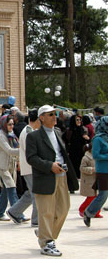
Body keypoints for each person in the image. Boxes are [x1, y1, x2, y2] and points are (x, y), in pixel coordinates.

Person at [26, 105, 77, 256]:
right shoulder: (33, 136)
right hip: (45, 177)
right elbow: (31, 158)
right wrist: (50, 166)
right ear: (41, 117)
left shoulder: (57, 132)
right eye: (50, 115)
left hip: (61, 177)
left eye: (55, 114)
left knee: (63, 209)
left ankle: (44, 233)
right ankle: (47, 242)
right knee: (46, 212)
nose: (54, 117)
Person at [9, 108, 39, 226]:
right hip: (30, 167)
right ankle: (36, 220)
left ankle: (14, 212)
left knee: (30, 193)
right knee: (36, 194)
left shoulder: (30, 130)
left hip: (29, 167)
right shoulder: (28, 132)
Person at [0, 115, 25, 222]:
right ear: (4, 124)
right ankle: (17, 213)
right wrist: (25, 151)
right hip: (2, 167)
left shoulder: (11, 135)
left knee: (6, 191)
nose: (11, 126)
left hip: (11, 166)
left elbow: (15, 148)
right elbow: (10, 151)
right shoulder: (1, 136)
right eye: (9, 124)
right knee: (11, 188)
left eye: (12, 124)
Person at [83, 115, 108, 227]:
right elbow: (96, 155)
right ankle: (88, 213)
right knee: (103, 195)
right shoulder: (98, 139)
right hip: (103, 171)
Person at [79, 142, 102, 218]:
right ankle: (82, 209)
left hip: (97, 179)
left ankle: (96, 212)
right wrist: (92, 169)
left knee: (98, 197)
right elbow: (82, 168)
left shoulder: (97, 156)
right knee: (91, 197)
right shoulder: (86, 158)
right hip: (89, 181)